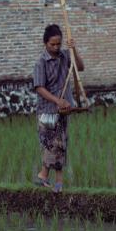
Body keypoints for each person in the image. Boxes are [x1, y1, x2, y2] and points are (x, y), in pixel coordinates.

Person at [32, 24, 84, 193]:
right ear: (45, 43)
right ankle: (50, 178)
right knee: (51, 145)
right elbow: (39, 87)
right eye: (52, 44)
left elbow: (80, 67)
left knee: (60, 143)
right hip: (47, 110)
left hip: (64, 109)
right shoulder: (41, 62)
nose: (55, 47)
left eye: (58, 44)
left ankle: (49, 178)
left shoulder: (64, 55)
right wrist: (57, 100)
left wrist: (73, 48)